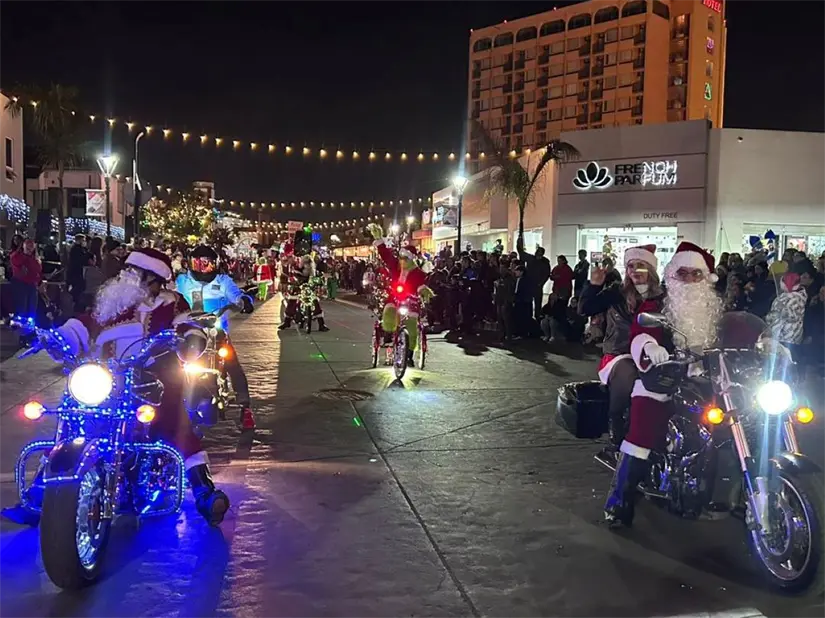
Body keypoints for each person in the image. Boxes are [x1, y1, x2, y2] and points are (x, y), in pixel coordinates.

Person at [3, 248, 230, 526]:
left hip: (152, 380)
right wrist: (54, 337)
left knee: (174, 425)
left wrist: (190, 338)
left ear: (155, 280)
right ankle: (41, 495)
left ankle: (204, 491)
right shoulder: (110, 305)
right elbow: (84, 325)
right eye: (128, 270)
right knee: (72, 421)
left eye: (135, 272)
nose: (127, 275)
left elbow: (187, 325)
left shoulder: (171, 303)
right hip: (106, 380)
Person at [604, 242, 722, 528]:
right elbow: (640, 332)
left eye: (697, 274)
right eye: (684, 273)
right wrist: (650, 346)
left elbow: (737, 329)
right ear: (672, 275)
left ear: (706, 278)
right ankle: (620, 502)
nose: (691, 280)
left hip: (707, 379)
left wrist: (766, 341)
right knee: (642, 430)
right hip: (663, 376)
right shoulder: (657, 305)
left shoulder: (714, 310)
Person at [580, 245, 662, 466]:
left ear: (651, 269)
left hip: (651, 354)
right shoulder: (617, 292)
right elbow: (584, 308)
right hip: (619, 353)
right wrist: (593, 286)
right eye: (630, 266)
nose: (635, 270)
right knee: (628, 372)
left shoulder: (662, 296)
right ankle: (616, 436)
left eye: (641, 266)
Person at [175, 245, 257, 431]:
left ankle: (246, 409)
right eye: (198, 263)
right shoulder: (183, 281)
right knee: (176, 366)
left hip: (216, 332)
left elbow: (237, 296)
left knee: (232, 363)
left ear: (216, 264)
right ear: (190, 264)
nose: (203, 268)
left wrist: (244, 302)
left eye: (207, 264)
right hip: (191, 332)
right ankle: (178, 406)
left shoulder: (223, 281)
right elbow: (172, 297)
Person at [367, 223, 433, 361]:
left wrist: (423, 291)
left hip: (411, 300)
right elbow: (385, 255)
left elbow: (420, 284)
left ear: (411, 259)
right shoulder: (395, 266)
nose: (402, 261)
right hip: (395, 296)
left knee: (412, 325)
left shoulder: (418, 273)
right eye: (401, 258)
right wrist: (379, 240)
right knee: (389, 311)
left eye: (405, 258)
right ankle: (389, 334)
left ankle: (409, 355)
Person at [766, 271, 807, 361]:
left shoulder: (782, 300)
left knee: (778, 367)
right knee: (792, 364)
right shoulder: (801, 297)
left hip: (781, 338)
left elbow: (775, 320)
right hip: (795, 337)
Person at [10, 238, 42, 324]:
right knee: (22, 306)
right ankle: (21, 326)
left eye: (32, 247)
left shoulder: (34, 258)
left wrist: (38, 280)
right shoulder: (17, 256)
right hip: (21, 284)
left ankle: (30, 325)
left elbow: (38, 270)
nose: (30, 249)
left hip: (32, 284)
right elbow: (16, 262)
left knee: (32, 307)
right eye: (28, 247)